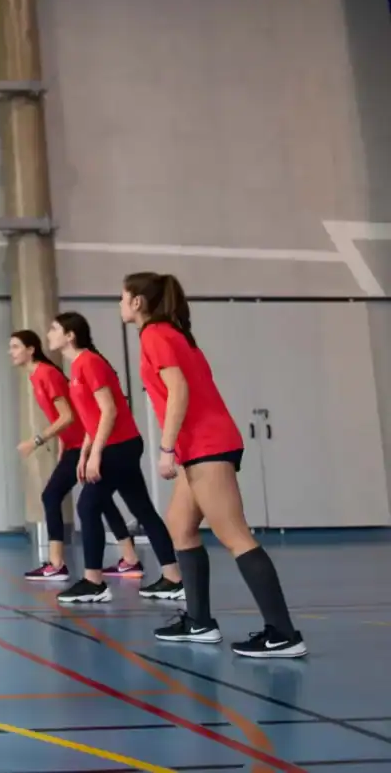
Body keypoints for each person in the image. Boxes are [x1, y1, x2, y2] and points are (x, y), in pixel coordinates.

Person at [121, 272, 305, 658]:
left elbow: (179, 391)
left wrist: (167, 447)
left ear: (138, 301)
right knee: (180, 526)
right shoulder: (173, 334)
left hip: (205, 444)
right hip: (200, 445)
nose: (120, 304)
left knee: (234, 534)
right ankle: (200, 622)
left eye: (123, 297)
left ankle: (284, 634)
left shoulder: (155, 334)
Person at [44, 312, 184, 605]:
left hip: (119, 447)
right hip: (115, 445)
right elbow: (91, 418)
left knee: (88, 506)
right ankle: (173, 578)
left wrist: (96, 455)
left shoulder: (89, 363)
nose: (49, 333)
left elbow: (109, 411)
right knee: (143, 510)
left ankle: (94, 582)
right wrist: (84, 452)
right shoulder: (78, 368)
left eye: (54, 329)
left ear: (70, 335)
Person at [10, 330, 144, 584]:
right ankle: (129, 557)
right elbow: (70, 413)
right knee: (101, 500)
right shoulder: (38, 376)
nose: (12, 352)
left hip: (84, 444)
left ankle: (57, 563)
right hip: (74, 445)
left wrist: (37, 441)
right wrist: (63, 441)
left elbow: (69, 415)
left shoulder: (46, 374)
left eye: (16, 347)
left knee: (52, 495)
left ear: (31, 350)